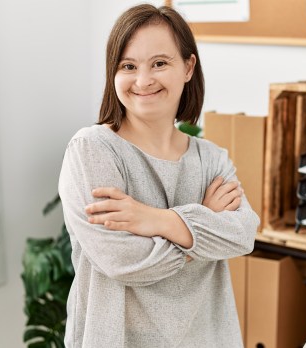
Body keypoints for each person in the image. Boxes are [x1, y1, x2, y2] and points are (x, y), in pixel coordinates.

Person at [58, 4, 259, 348]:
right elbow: (123, 262)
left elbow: (243, 235)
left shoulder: (211, 158)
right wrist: (203, 227)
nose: (143, 80)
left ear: (188, 67)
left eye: (160, 63)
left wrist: (156, 219)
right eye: (128, 66)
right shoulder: (92, 149)